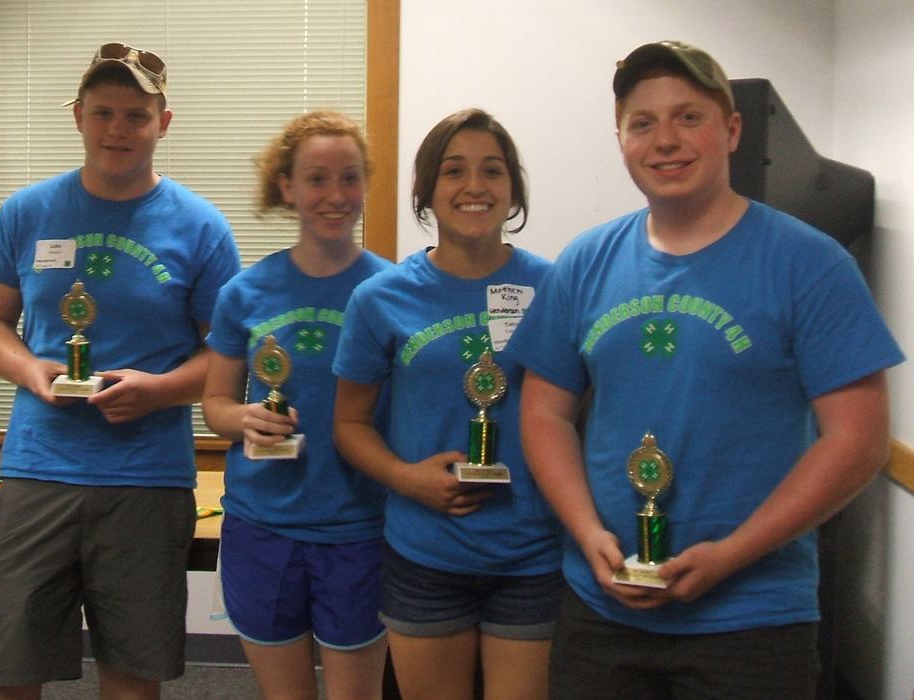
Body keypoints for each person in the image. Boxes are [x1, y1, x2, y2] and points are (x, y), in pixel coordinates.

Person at [507, 40, 905, 699]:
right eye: (642, 122)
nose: (665, 140)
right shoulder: (585, 262)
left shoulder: (810, 264)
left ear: (733, 130)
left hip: (753, 622)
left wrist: (732, 555)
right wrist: (586, 531)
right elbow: (544, 412)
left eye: (688, 117)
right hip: (603, 613)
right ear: (621, 140)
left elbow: (857, 440)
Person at [0, 43, 241, 700]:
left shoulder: (202, 227)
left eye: (136, 116)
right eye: (104, 113)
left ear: (163, 123)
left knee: (131, 678)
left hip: (147, 480)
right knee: (6, 673)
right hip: (38, 470)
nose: (118, 129)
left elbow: (228, 355)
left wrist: (160, 391)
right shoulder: (27, 212)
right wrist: (32, 371)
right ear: (78, 117)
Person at [333, 108, 564, 700]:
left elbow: (576, 415)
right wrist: (406, 479)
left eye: (492, 170)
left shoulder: (557, 288)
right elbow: (350, 424)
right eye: (454, 170)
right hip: (426, 553)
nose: (474, 186)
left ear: (513, 188)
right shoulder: (379, 299)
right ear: (427, 189)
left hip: (532, 553)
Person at [201, 110, 392, 700]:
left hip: (360, 528)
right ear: (287, 186)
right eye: (317, 179)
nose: (336, 195)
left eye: (350, 178)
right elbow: (215, 403)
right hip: (263, 527)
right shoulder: (243, 293)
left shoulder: (393, 291)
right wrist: (244, 418)